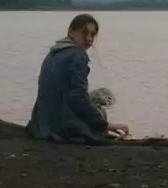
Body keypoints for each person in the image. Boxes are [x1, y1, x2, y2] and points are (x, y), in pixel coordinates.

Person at [26, 13, 130, 145]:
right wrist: (104, 125)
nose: (89, 39)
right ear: (71, 32)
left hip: (40, 124)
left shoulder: (53, 52)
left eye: (93, 35)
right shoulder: (78, 55)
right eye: (84, 33)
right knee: (99, 110)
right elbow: (77, 97)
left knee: (92, 104)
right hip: (61, 127)